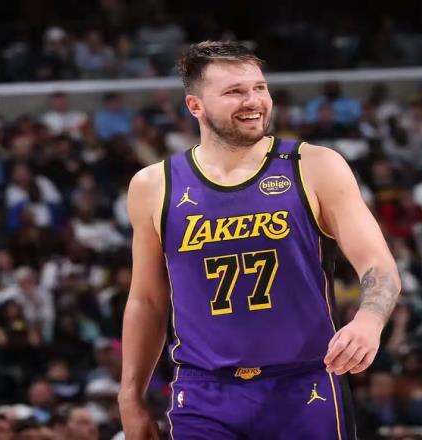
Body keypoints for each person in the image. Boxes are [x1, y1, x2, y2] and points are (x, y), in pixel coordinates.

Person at [119, 41, 401, 440]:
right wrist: (130, 397)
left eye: (259, 88)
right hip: (203, 392)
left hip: (304, 384)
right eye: (234, 91)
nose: (253, 101)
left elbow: (378, 263)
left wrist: (369, 320)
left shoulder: (314, 165)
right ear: (195, 106)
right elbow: (146, 300)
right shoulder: (154, 185)